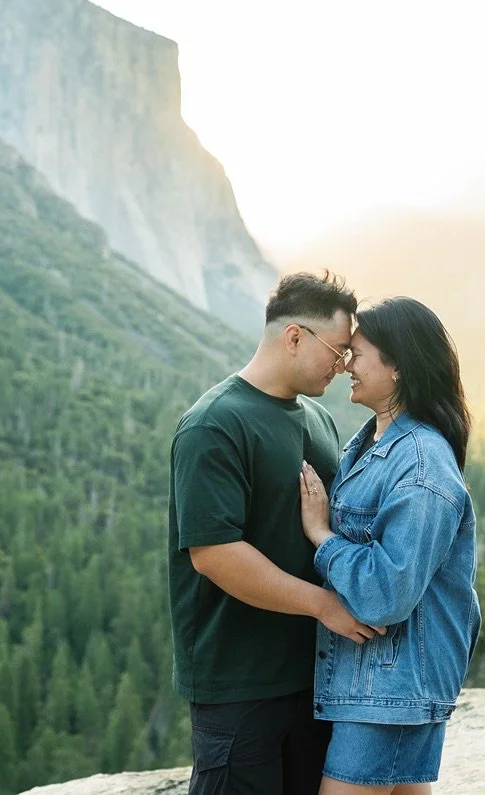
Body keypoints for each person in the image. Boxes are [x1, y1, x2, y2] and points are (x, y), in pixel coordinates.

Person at [169, 271, 385, 795]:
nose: (342, 367)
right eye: (336, 352)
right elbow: (215, 555)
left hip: (315, 679)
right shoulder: (214, 425)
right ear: (294, 337)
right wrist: (324, 605)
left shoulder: (317, 419)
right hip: (239, 685)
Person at [297, 296, 480, 795]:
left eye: (357, 353)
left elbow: (388, 593)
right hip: (378, 685)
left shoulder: (421, 464)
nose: (346, 365)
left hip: (392, 689)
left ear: (397, 367)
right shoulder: (374, 443)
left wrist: (323, 536)